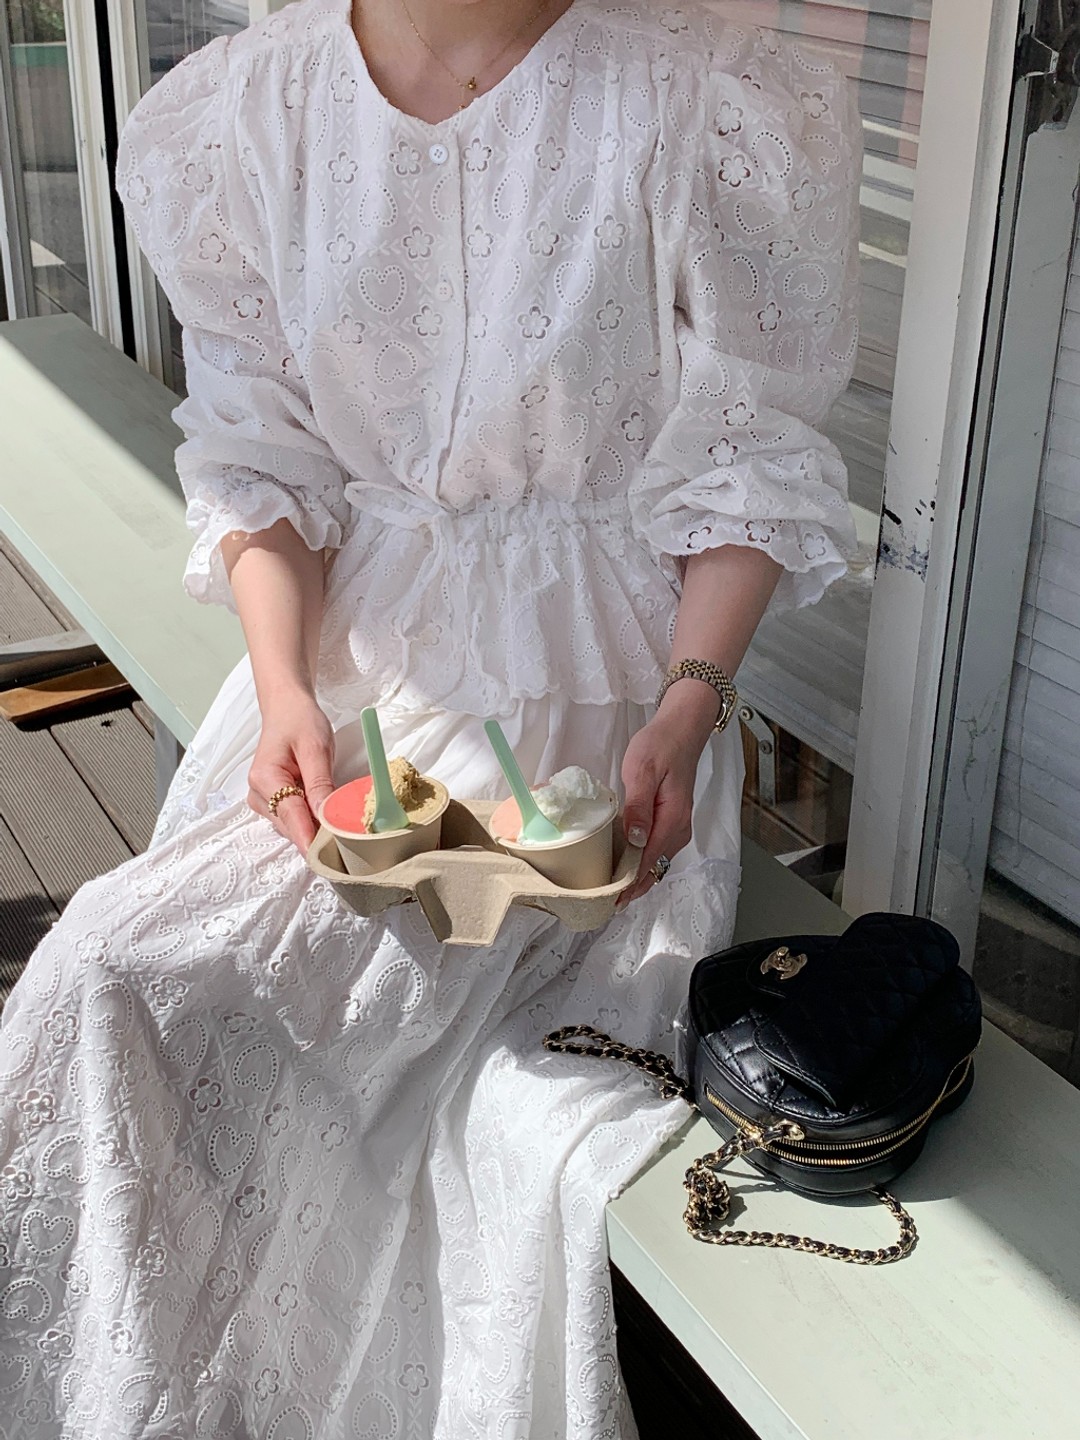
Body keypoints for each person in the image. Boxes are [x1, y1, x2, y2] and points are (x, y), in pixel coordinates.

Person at [0, 0, 861, 1434]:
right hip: (349, 687)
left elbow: (749, 464)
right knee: (106, 974)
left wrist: (690, 708)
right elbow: (265, 460)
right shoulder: (249, 111)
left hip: (605, 706)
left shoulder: (703, 97)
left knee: (445, 1072)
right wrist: (284, 690)